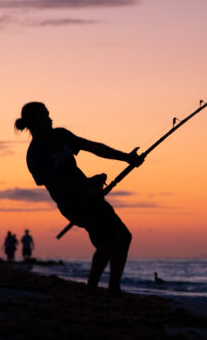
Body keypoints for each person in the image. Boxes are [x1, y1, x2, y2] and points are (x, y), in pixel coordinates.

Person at [14, 102, 143, 294]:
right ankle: (97, 289)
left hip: (91, 197)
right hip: (74, 204)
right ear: (33, 122)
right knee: (113, 241)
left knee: (118, 240)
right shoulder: (34, 155)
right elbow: (56, 185)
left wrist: (126, 158)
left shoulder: (61, 135)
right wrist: (89, 186)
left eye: (49, 115)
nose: (50, 119)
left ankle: (110, 288)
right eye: (45, 116)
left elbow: (94, 147)